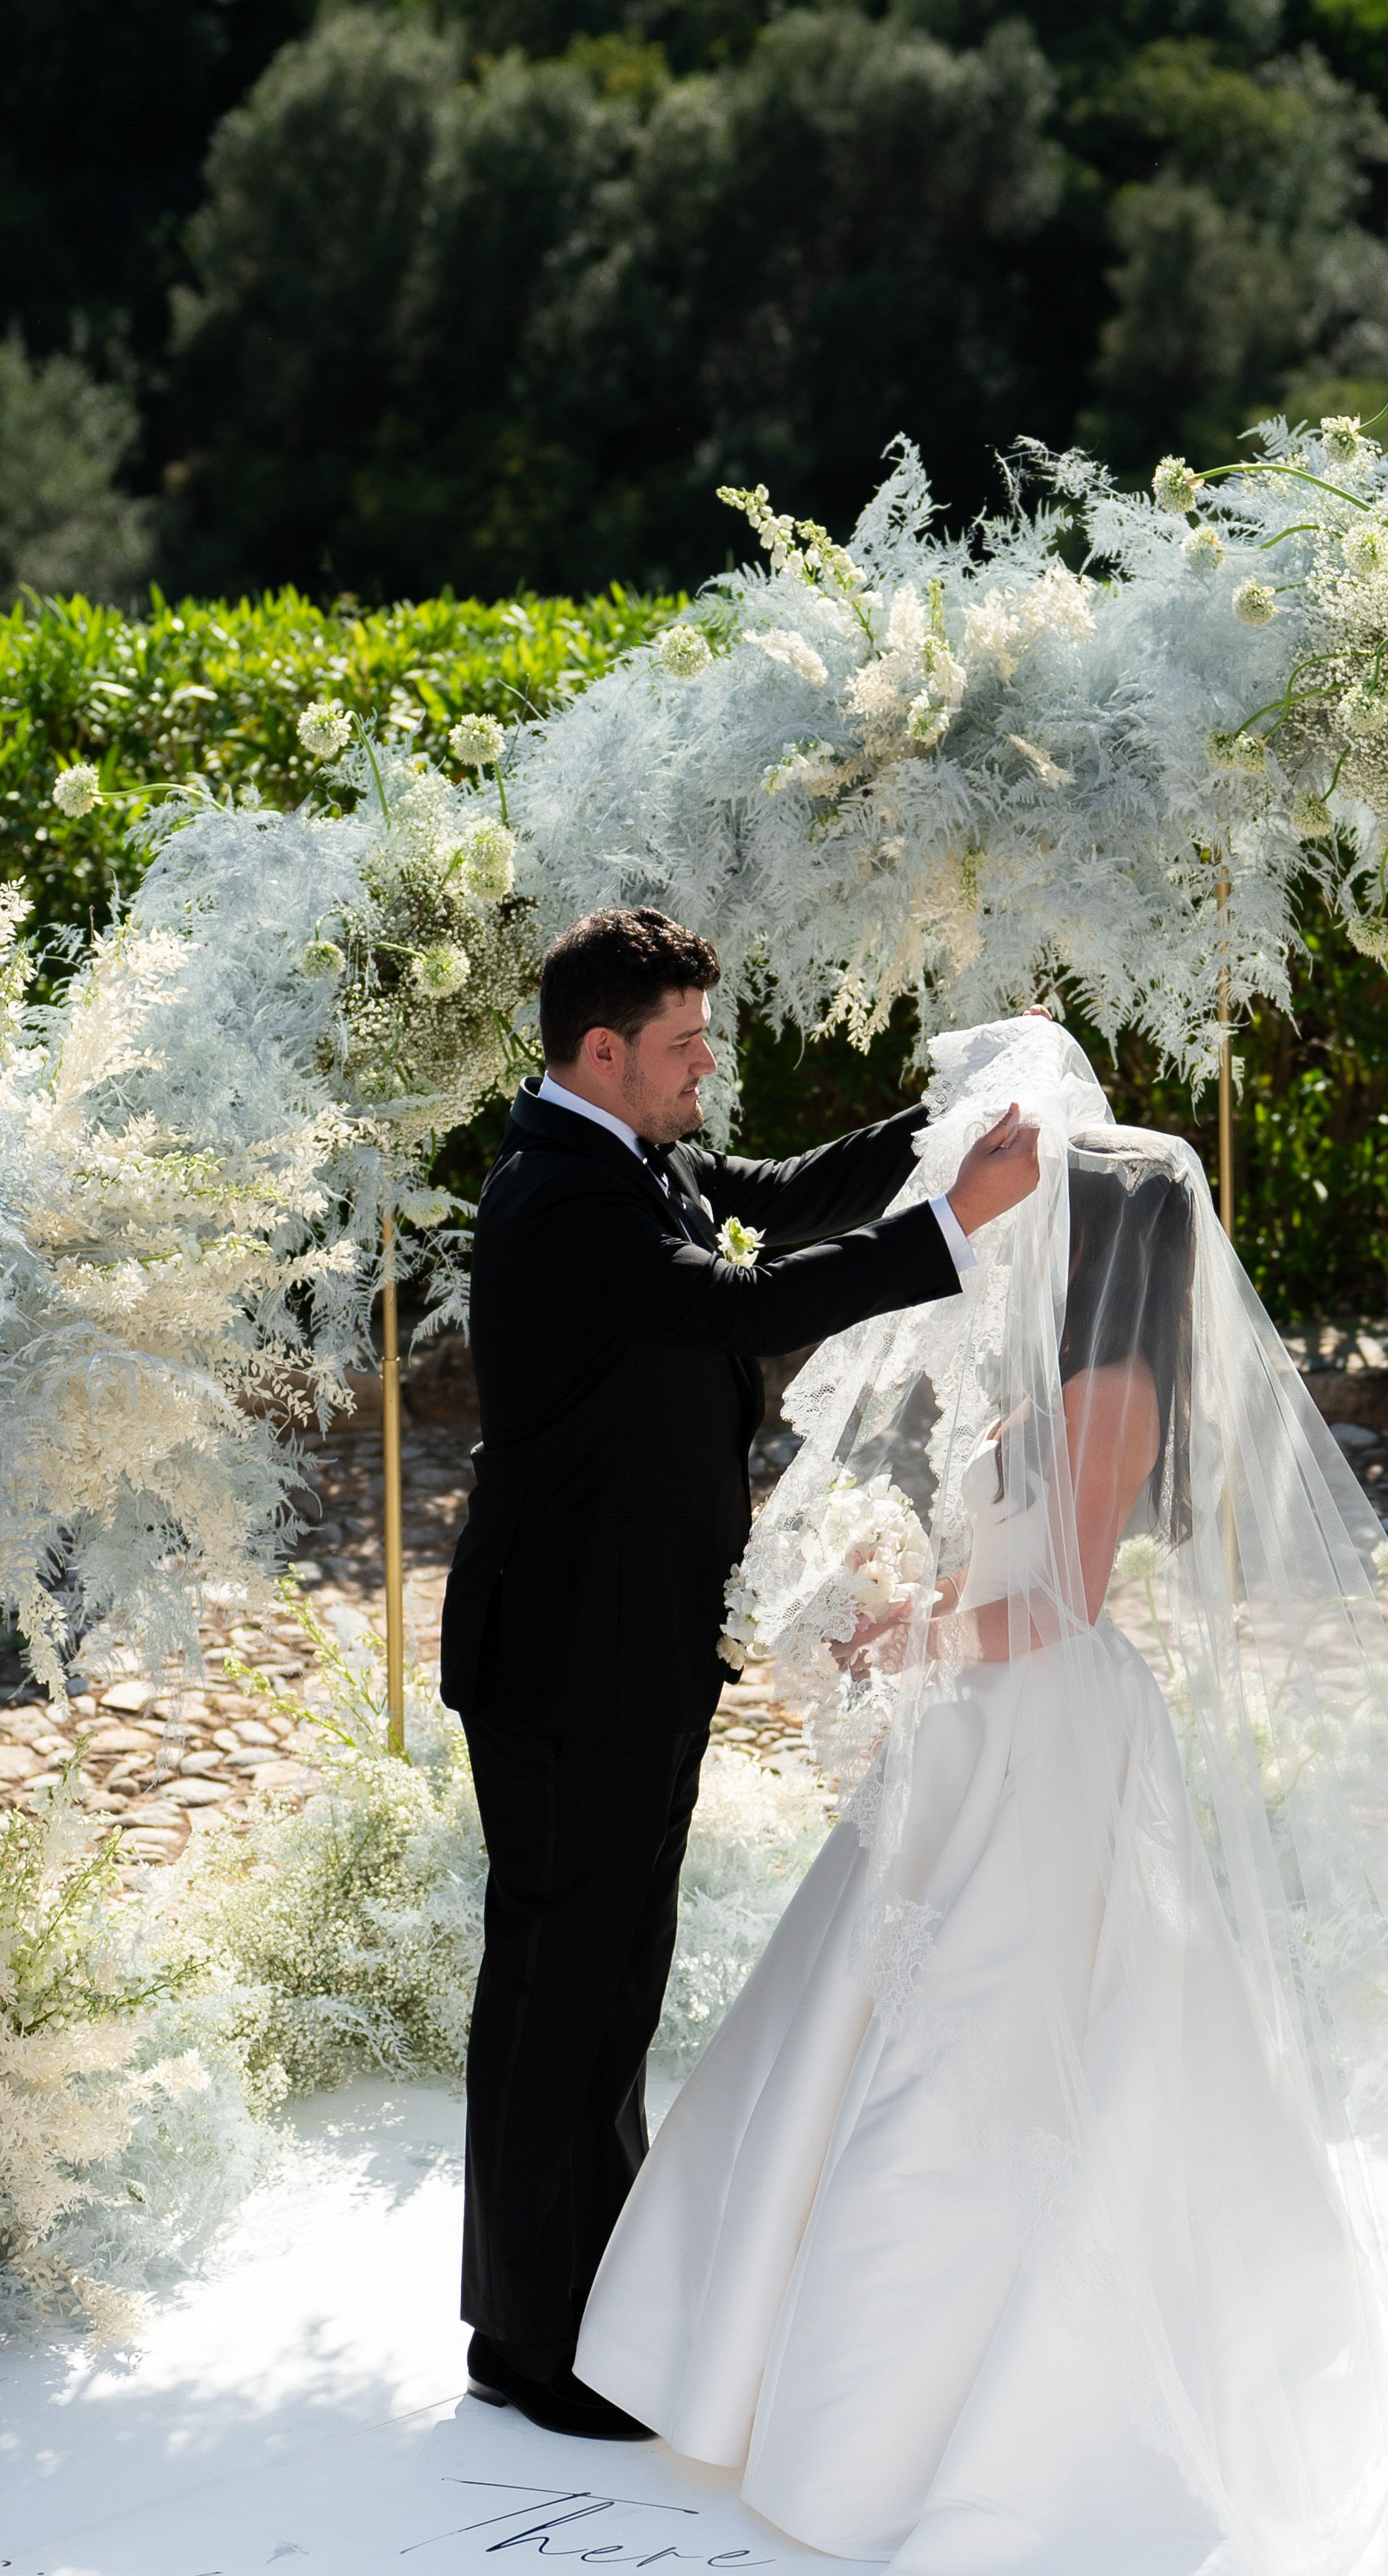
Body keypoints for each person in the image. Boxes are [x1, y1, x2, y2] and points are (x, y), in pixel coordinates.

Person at [576, 1016, 1388, 2576]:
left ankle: (952, 2414)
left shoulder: (1114, 1382)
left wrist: (905, 1620)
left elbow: (1060, 1595)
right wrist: (886, 1599)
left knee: (994, 2056)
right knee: (902, 2030)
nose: (1021, 1225)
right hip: (982, 1737)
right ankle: (813, 2380)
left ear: (1107, 1239)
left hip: (1048, 1733)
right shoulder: (1041, 1366)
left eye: (1048, 1204)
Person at [437, 907, 1038, 2440]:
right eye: (687, 1044)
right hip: (567, 1651)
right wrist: (954, 1228)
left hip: (627, 1640)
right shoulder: (556, 1202)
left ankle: (567, 2304)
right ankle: (538, 2344)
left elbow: (783, 1196)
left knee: (601, 1974)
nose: (711, 1065)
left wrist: (952, 1117)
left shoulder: (641, 1157)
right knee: (564, 1984)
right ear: (602, 1052)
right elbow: (742, 1305)